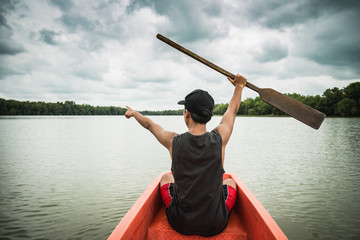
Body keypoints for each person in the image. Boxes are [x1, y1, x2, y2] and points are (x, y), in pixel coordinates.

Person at [125, 74, 247, 236]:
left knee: (166, 178)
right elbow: (232, 110)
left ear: (187, 113)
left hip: (180, 223)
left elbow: (149, 124)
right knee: (230, 182)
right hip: (215, 224)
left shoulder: (172, 141)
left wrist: (134, 113)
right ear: (209, 115)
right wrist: (239, 87)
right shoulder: (220, 138)